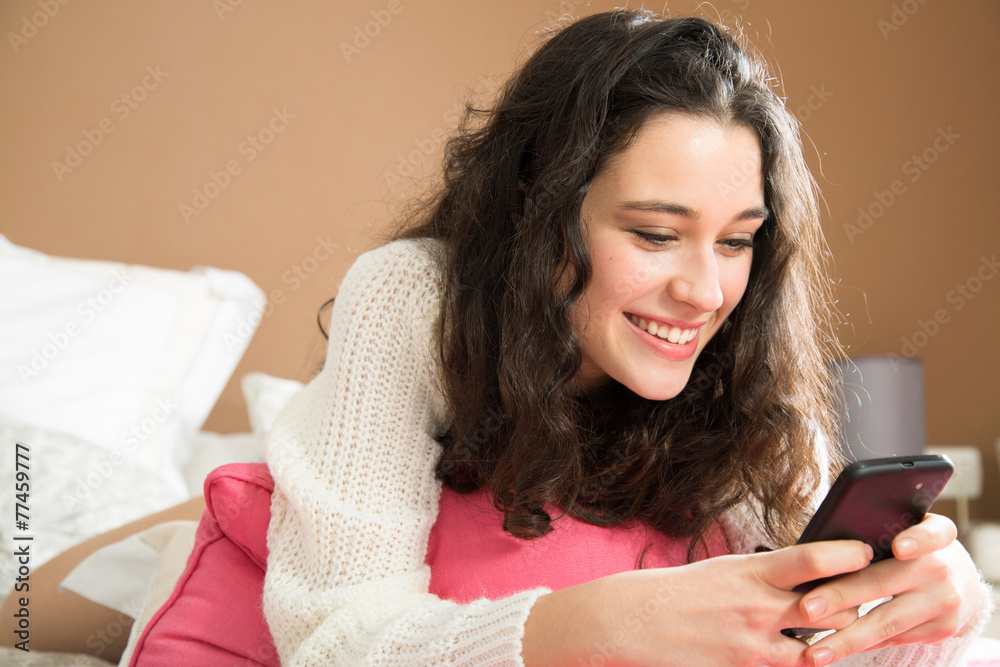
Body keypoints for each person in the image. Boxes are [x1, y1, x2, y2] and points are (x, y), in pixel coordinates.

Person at [262, 8, 992, 667]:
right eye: (655, 233)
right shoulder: (416, 298)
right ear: (536, 206)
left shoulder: (744, 361)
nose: (706, 293)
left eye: (737, 241)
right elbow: (333, 640)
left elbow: (823, 634)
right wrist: (596, 623)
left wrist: (949, 610)